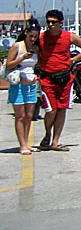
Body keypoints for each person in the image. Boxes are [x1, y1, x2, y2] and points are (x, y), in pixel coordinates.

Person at [37, 9, 81, 151]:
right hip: (47, 78)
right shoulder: (42, 38)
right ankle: (48, 133)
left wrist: (73, 60)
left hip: (64, 78)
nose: (50, 25)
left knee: (61, 109)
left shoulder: (69, 37)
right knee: (51, 110)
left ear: (61, 23)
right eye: (48, 22)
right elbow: (34, 51)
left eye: (53, 22)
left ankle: (55, 142)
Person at [6, 19, 41, 155]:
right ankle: (22, 145)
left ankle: (27, 143)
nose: (32, 39)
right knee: (20, 116)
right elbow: (8, 65)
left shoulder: (36, 48)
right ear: (25, 33)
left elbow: (37, 64)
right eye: (30, 36)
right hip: (18, 86)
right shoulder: (17, 46)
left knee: (29, 116)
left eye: (35, 37)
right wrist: (22, 58)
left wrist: (37, 74)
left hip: (31, 86)